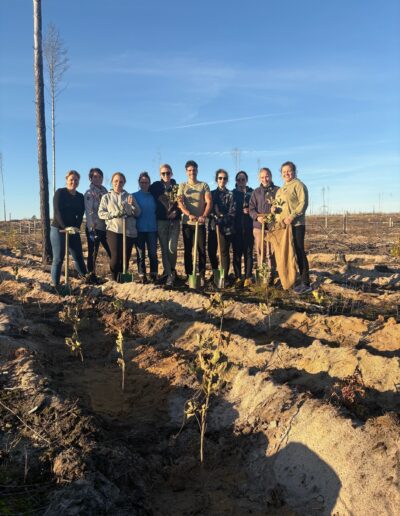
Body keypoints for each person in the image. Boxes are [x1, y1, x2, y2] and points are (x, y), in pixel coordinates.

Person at [272, 161, 311, 294]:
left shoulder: (299, 185)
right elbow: (279, 207)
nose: (286, 173)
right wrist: (274, 209)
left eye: (289, 171)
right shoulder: (280, 190)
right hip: (284, 227)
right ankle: (290, 280)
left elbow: (303, 204)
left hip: (296, 224)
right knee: (287, 253)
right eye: (284, 172)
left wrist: (292, 216)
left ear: (294, 172)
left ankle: (305, 282)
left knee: (299, 251)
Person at [98, 172, 141, 281]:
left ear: (124, 183)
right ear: (112, 182)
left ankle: (122, 280)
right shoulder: (106, 197)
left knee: (125, 258)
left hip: (128, 231)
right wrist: (113, 214)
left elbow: (138, 213)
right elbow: (101, 213)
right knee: (116, 257)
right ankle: (114, 279)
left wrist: (133, 205)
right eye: (116, 181)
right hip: (114, 230)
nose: (118, 183)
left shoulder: (129, 196)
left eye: (121, 181)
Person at [177, 160, 212, 286]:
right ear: (186, 172)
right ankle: (189, 275)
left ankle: (201, 276)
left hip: (200, 223)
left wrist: (204, 215)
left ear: (197, 170)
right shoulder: (182, 186)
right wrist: (188, 214)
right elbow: (180, 203)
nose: (192, 172)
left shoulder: (203, 185)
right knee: (188, 250)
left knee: (201, 250)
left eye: (194, 170)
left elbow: (209, 201)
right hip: (187, 223)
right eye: (189, 170)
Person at [50, 170, 87, 287]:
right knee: (58, 258)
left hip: (73, 229)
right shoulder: (60, 193)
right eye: (71, 179)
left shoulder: (80, 197)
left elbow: (80, 214)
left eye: (76, 180)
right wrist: (65, 227)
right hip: (58, 229)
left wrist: (76, 227)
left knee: (78, 256)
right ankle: (55, 285)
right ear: (67, 180)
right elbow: (57, 212)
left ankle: (86, 278)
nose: (73, 182)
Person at [149, 164, 181, 287]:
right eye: (163, 173)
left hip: (174, 221)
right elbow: (145, 189)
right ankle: (169, 274)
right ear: (160, 175)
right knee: (164, 249)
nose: (166, 175)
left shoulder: (178, 187)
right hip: (161, 221)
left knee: (172, 248)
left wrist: (177, 212)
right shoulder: (155, 186)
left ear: (172, 173)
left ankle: (171, 270)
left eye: (168, 173)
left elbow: (182, 204)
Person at [249, 167, 279, 280]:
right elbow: (251, 209)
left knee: (272, 252)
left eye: (267, 176)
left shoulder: (277, 190)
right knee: (261, 251)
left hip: (273, 227)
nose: (265, 179)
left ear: (270, 176)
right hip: (259, 227)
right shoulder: (256, 192)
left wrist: (276, 209)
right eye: (262, 177)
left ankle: (271, 274)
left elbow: (282, 206)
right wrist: (257, 217)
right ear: (259, 178)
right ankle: (262, 274)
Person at [208, 169, 235, 283]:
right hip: (213, 226)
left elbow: (232, 211)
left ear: (227, 180)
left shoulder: (231, 194)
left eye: (224, 178)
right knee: (211, 251)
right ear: (216, 179)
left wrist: (223, 219)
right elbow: (208, 209)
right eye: (220, 178)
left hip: (225, 227)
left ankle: (224, 276)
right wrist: (216, 217)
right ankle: (215, 273)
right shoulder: (211, 194)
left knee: (224, 252)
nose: (222, 180)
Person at [84, 168, 111, 275]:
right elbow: (89, 211)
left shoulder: (106, 192)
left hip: (106, 227)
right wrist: (92, 228)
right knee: (93, 253)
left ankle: (116, 273)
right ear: (90, 178)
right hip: (95, 228)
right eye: (95, 177)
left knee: (112, 251)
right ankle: (91, 275)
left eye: (100, 177)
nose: (98, 179)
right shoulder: (89, 193)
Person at [133, 172, 158, 283]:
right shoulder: (134, 196)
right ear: (139, 183)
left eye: (146, 182)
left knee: (152, 253)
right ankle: (142, 275)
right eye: (142, 182)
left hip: (152, 229)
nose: (144, 184)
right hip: (139, 229)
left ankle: (154, 274)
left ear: (149, 183)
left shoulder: (154, 196)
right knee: (140, 254)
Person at [232, 171, 254, 287]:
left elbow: (256, 208)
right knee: (237, 253)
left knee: (248, 252)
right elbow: (230, 209)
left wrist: (250, 211)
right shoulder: (232, 194)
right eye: (239, 180)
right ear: (236, 181)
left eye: (243, 179)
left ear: (246, 180)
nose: (241, 181)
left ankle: (248, 276)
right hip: (236, 228)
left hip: (249, 227)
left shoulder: (252, 193)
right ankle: (238, 276)